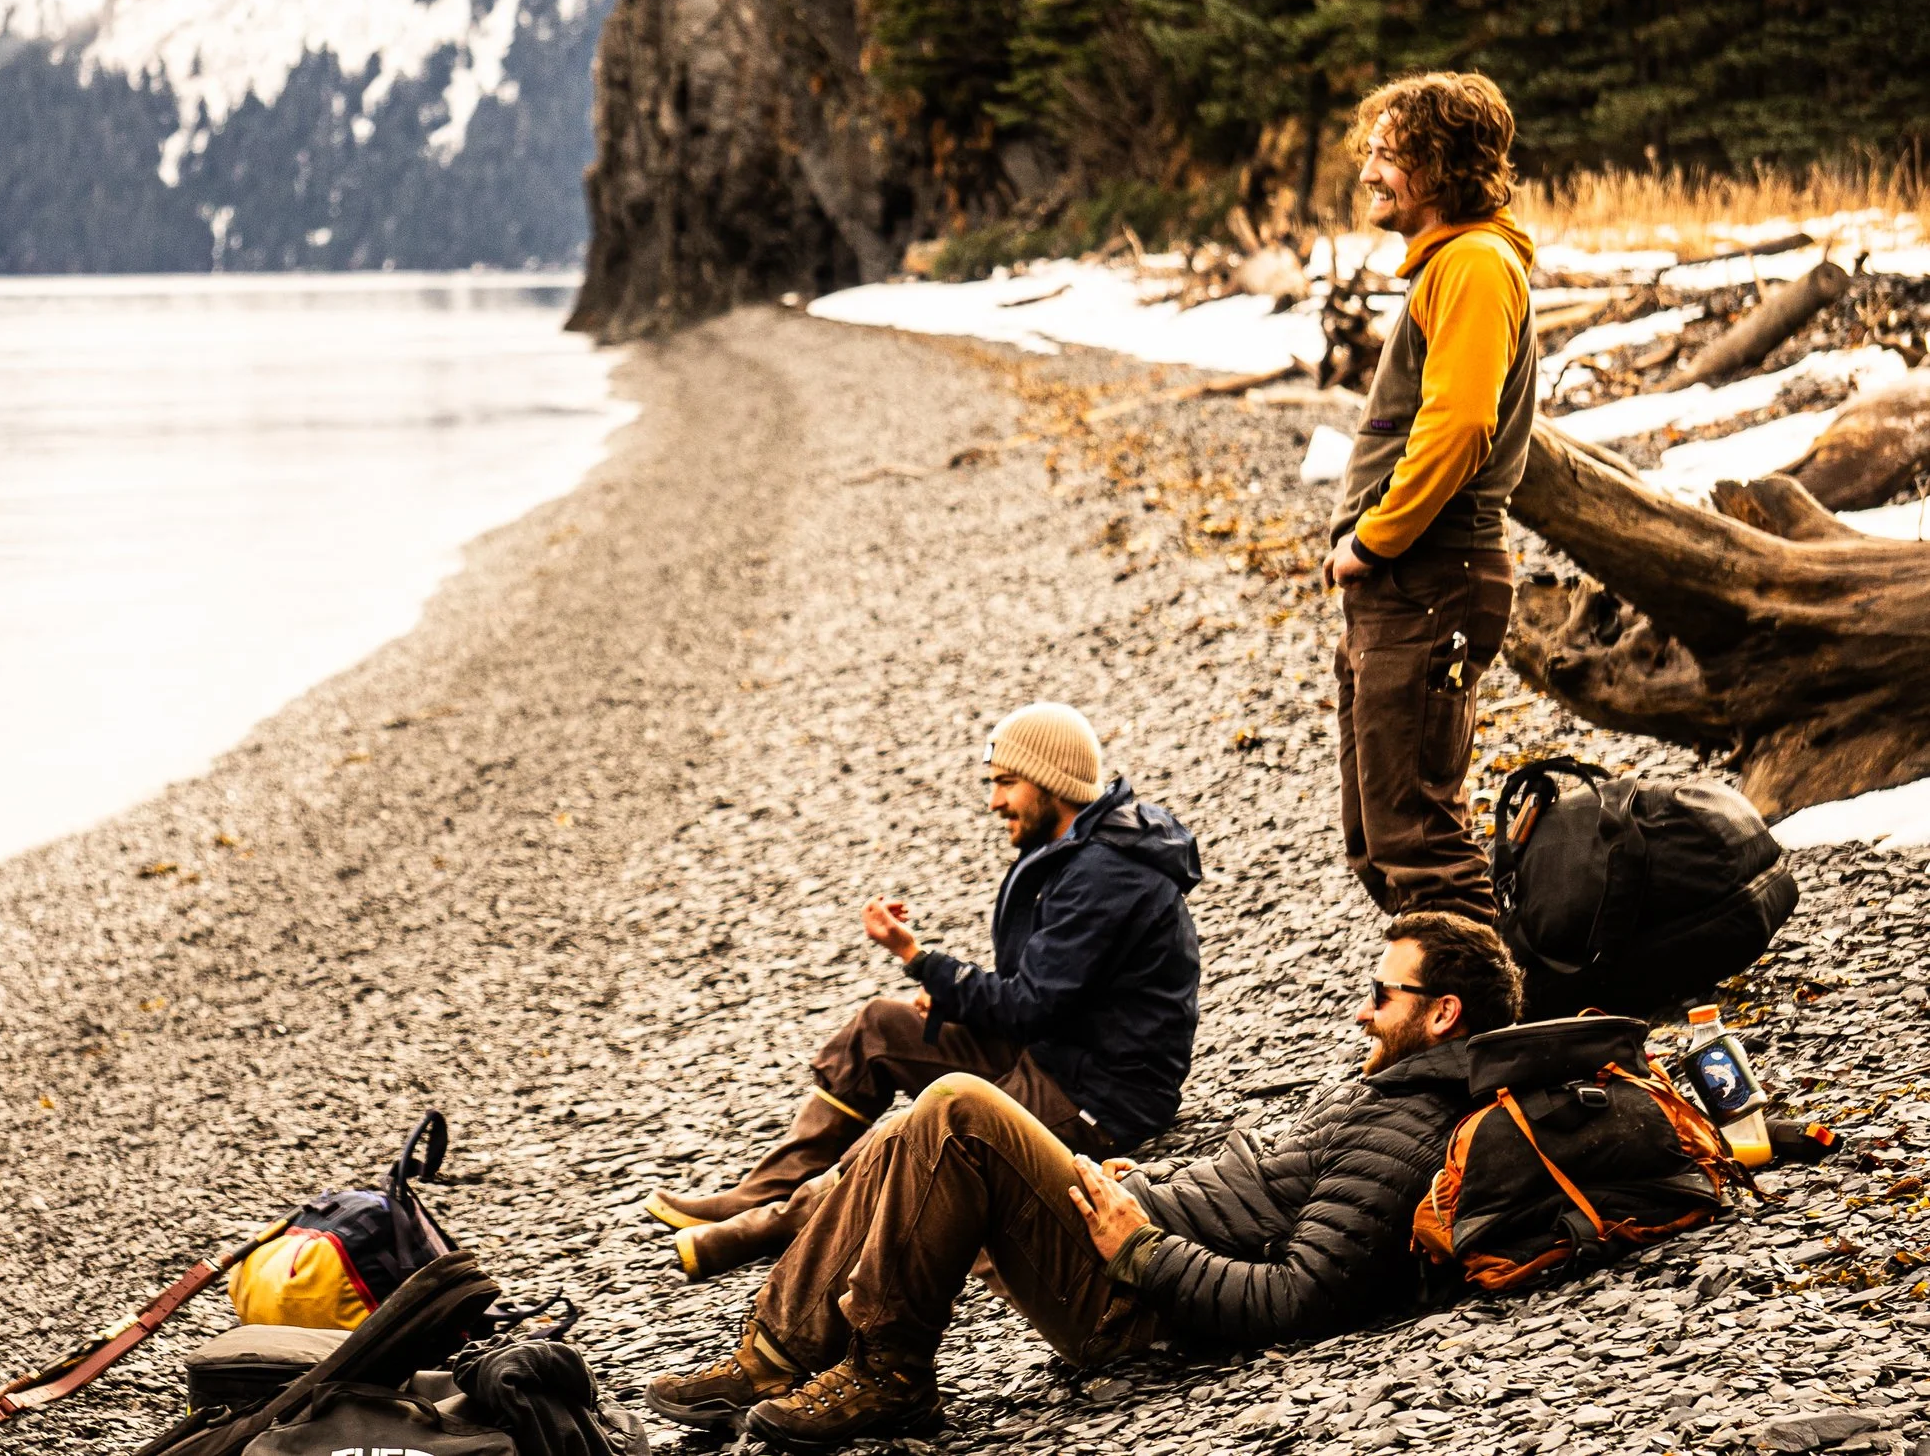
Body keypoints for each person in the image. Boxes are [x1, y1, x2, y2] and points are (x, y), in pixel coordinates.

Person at [643, 911, 1519, 1450]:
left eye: (1383, 993)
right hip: (1143, 1236)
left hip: (1141, 1307)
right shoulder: (1392, 1088)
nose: (1363, 1009)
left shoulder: (1408, 1130)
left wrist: (1141, 1246)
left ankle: (890, 1369)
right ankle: (772, 1357)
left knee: (954, 1104)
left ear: (1443, 1013)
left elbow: (1296, 1296)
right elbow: (1260, 1195)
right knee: (915, 1124)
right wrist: (1150, 1183)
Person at [644, 702, 1202, 1282]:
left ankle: (777, 1225)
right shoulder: (1075, 851)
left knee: (919, 1128)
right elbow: (1044, 994)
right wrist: (949, 992)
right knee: (882, 1028)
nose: (993, 802)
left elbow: (1031, 1004)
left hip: (1098, 1096)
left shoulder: (1106, 873)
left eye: (1005, 784)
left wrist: (921, 960)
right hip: (1056, 1049)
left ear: (1050, 783)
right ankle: (760, 1192)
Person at [1320, 72, 1537, 923]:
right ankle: (1445, 1019)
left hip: (1430, 577)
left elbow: (1459, 426)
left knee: (1418, 839)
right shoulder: (1452, 267)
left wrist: (1372, 542)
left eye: (1387, 152)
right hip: (1405, 588)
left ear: (1441, 166)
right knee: (1380, 843)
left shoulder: (1476, 265)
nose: (1368, 168)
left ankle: (1486, 1031)